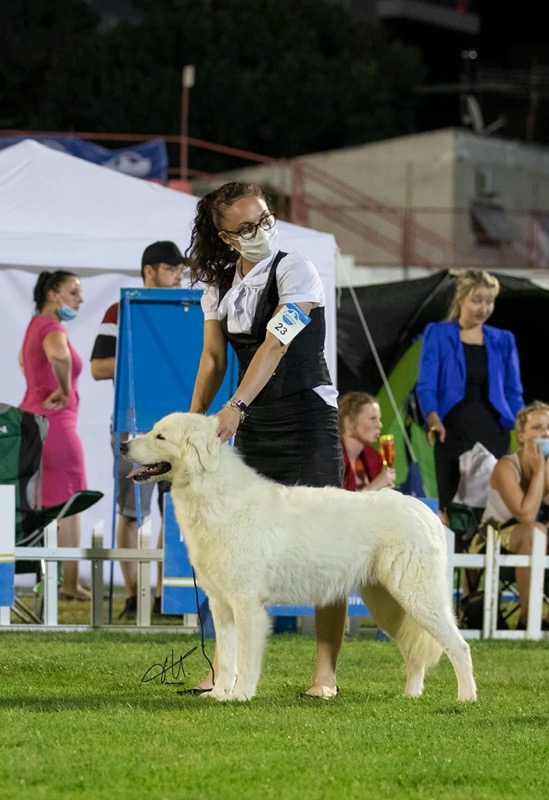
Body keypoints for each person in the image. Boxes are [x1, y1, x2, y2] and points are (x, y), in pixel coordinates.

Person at [186, 180, 344, 699]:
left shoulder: (297, 269)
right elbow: (214, 358)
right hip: (255, 419)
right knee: (235, 546)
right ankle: (223, 670)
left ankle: (325, 674)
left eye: (266, 219)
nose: (262, 231)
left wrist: (234, 406)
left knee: (327, 544)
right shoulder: (219, 287)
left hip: (306, 415)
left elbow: (275, 344)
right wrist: (194, 423)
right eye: (248, 227)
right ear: (227, 237)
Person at [90, 241, 185, 620]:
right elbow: (98, 367)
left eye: (181, 270)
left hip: (174, 429)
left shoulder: (187, 311)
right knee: (132, 513)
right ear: (149, 271)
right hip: (133, 425)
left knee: (175, 511)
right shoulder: (120, 310)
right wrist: (142, 358)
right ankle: (134, 597)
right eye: (171, 269)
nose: (179, 276)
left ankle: (166, 596)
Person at [416, 269, 524, 518]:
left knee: (494, 508)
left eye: (489, 301)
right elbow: (426, 385)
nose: (483, 308)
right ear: (460, 297)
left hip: (494, 432)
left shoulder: (504, 339)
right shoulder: (438, 333)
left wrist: (520, 424)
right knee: (454, 511)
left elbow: (513, 391)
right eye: (477, 300)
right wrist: (432, 417)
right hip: (452, 433)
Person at [18, 270, 89, 600]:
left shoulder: (35, 326)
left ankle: (49, 579)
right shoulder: (53, 328)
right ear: (53, 295)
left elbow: (22, 361)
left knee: (43, 504)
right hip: (56, 426)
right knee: (71, 503)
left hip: (31, 422)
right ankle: (69, 584)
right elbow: (59, 355)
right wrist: (64, 389)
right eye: (73, 292)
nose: (80, 299)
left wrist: (43, 386)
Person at [480, 401, 549, 630]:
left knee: (538, 532)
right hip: (492, 537)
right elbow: (526, 514)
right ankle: (527, 620)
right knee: (535, 532)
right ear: (521, 436)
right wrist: (539, 473)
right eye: (537, 428)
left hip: (534, 537)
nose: (545, 433)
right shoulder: (506, 467)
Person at [338, 391, 396, 492]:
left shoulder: (374, 458)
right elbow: (335, 500)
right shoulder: (331, 459)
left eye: (379, 419)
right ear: (349, 422)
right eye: (373, 418)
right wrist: (375, 486)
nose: (380, 425)